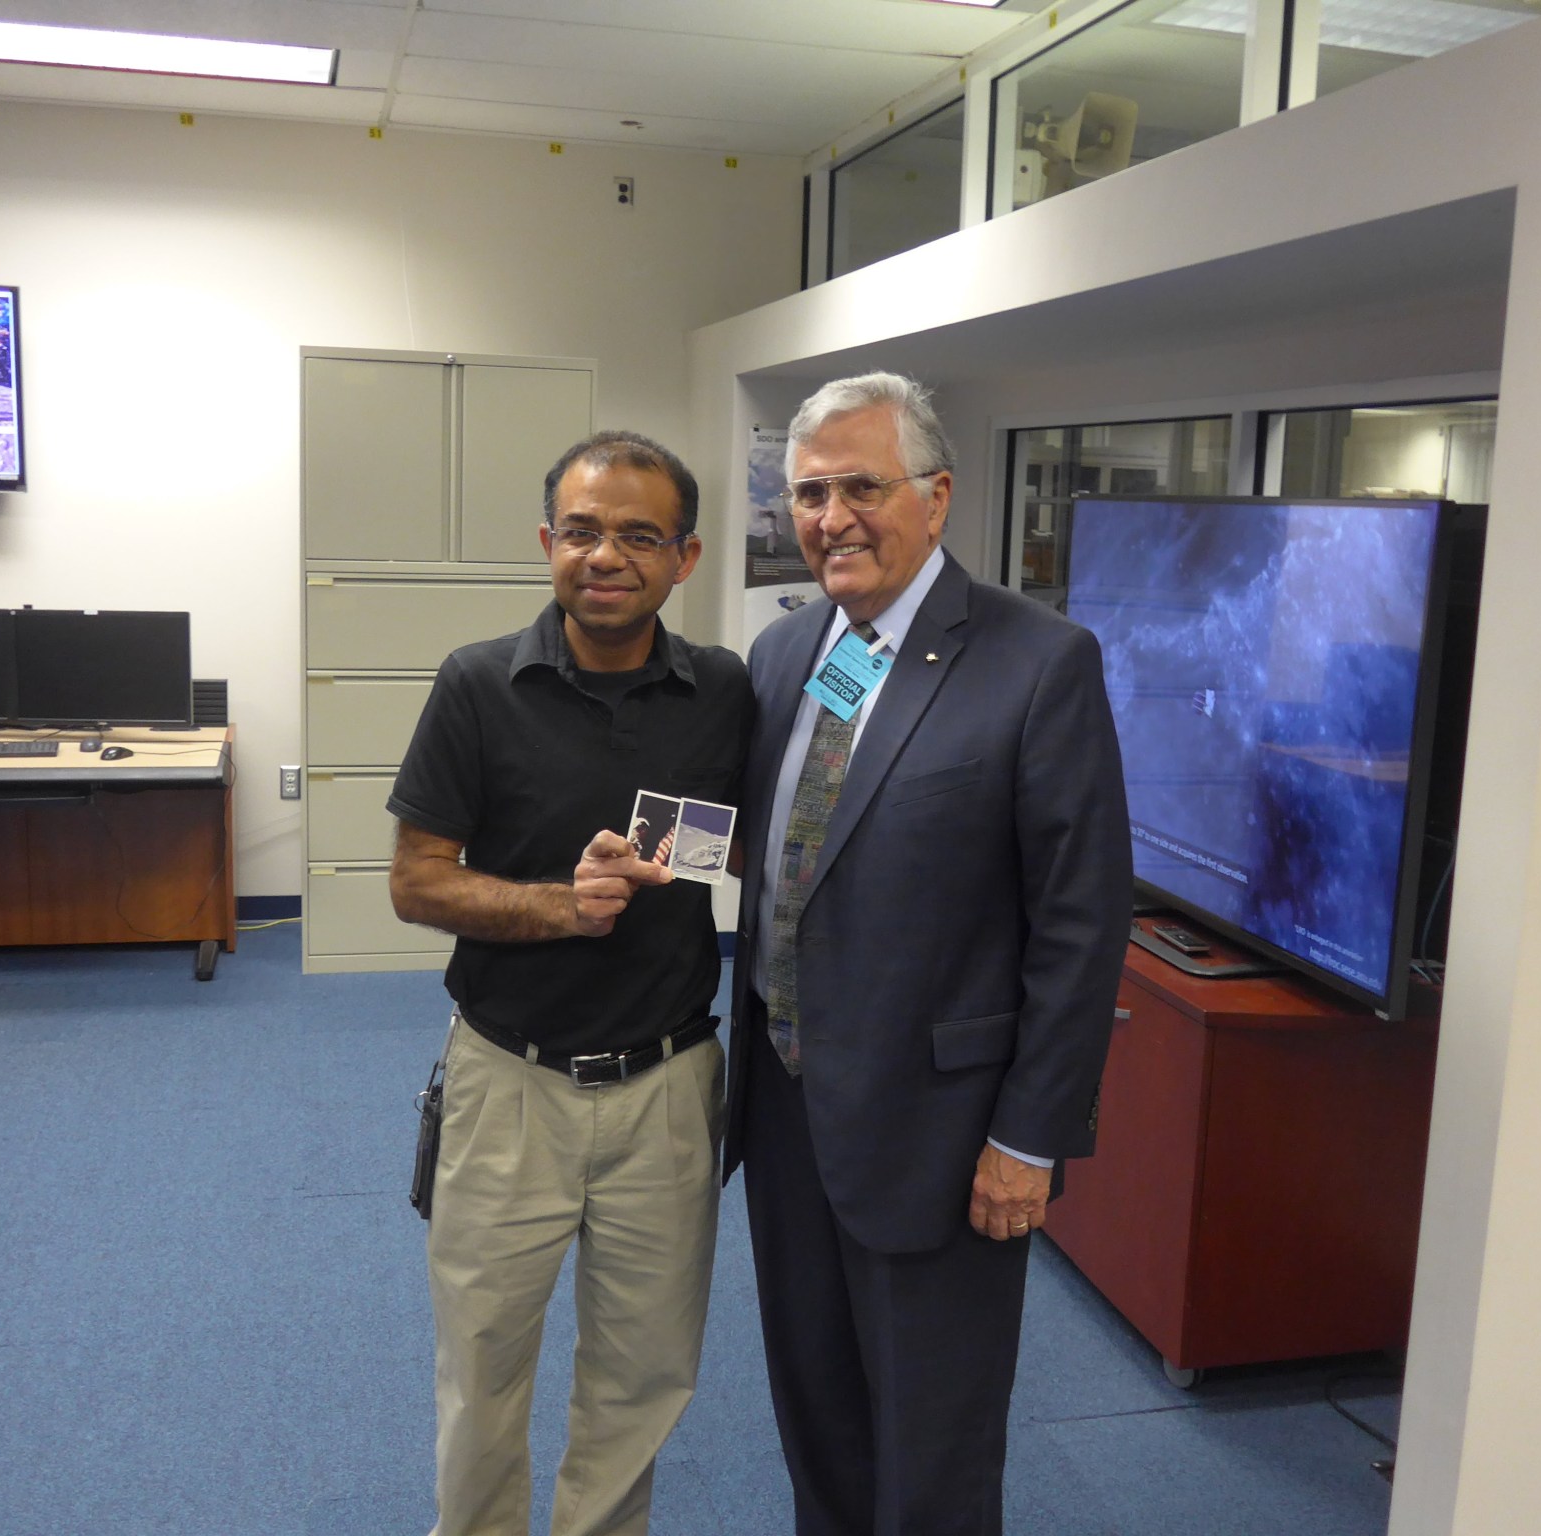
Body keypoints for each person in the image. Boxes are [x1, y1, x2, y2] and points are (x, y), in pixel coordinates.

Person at [726, 372, 1134, 1535]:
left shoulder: (1036, 660)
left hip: (943, 1133)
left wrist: (1027, 1137)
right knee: (816, 1415)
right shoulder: (792, 649)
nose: (831, 518)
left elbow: (1077, 918)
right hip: (787, 1105)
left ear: (937, 496)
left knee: (933, 1447)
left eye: (862, 486)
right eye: (810, 493)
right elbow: (787, 854)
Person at [389, 430, 751, 1536]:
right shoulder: (475, 685)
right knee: (484, 1373)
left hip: (669, 1090)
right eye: (583, 531)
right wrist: (562, 905)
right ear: (548, 541)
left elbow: (747, 847)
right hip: (509, 1083)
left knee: (642, 1378)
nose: (606, 556)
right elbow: (415, 884)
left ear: (684, 558)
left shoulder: (724, 692)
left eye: (639, 536)